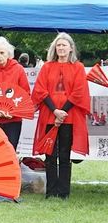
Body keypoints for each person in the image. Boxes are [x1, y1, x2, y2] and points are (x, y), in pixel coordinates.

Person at [32, 32, 90, 200]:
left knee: (64, 155)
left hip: (69, 117)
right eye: (58, 45)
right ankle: (51, 191)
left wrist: (62, 112)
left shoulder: (78, 67)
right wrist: (55, 111)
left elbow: (79, 91)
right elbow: (41, 90)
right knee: (50, 156)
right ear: (55, 48)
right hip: (50, 115)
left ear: (71, 48)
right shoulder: (47, 67)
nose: (61, 48)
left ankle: (63, 192)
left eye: (64, 45)